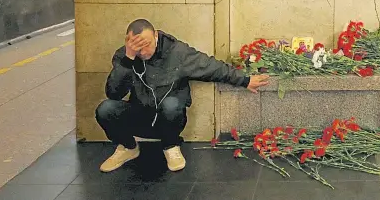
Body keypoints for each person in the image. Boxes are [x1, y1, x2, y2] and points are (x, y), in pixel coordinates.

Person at [95, 19, 270, 173]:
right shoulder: (125, 56)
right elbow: (114, 94)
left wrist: (245, 80)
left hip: (169, 119)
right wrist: (128, 59)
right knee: (105, 109)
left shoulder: (176, 51)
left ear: (155, 35)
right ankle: (128, 147)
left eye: (147, 44)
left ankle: (171, 146)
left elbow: (211, 67)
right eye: (138, 47)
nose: (144, 51)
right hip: (140, 114)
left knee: (171, 104)